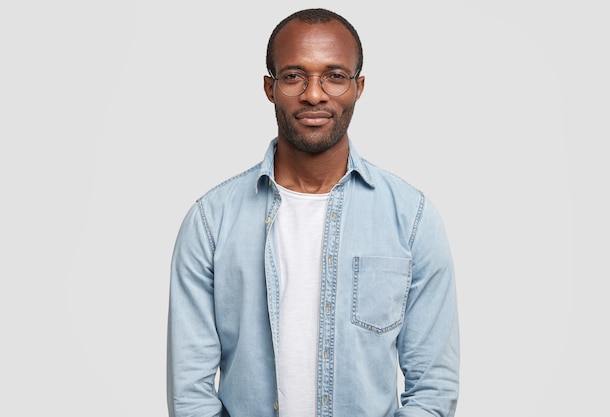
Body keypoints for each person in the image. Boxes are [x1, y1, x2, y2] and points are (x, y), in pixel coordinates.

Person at [167, 8, 459, 417]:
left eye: (335, 76)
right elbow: (189, 391)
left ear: (359, 87)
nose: (315, 94)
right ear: (270, 87)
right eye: (294, 76)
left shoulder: (411, 218)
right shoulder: (210, 221)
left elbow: (433, 385)